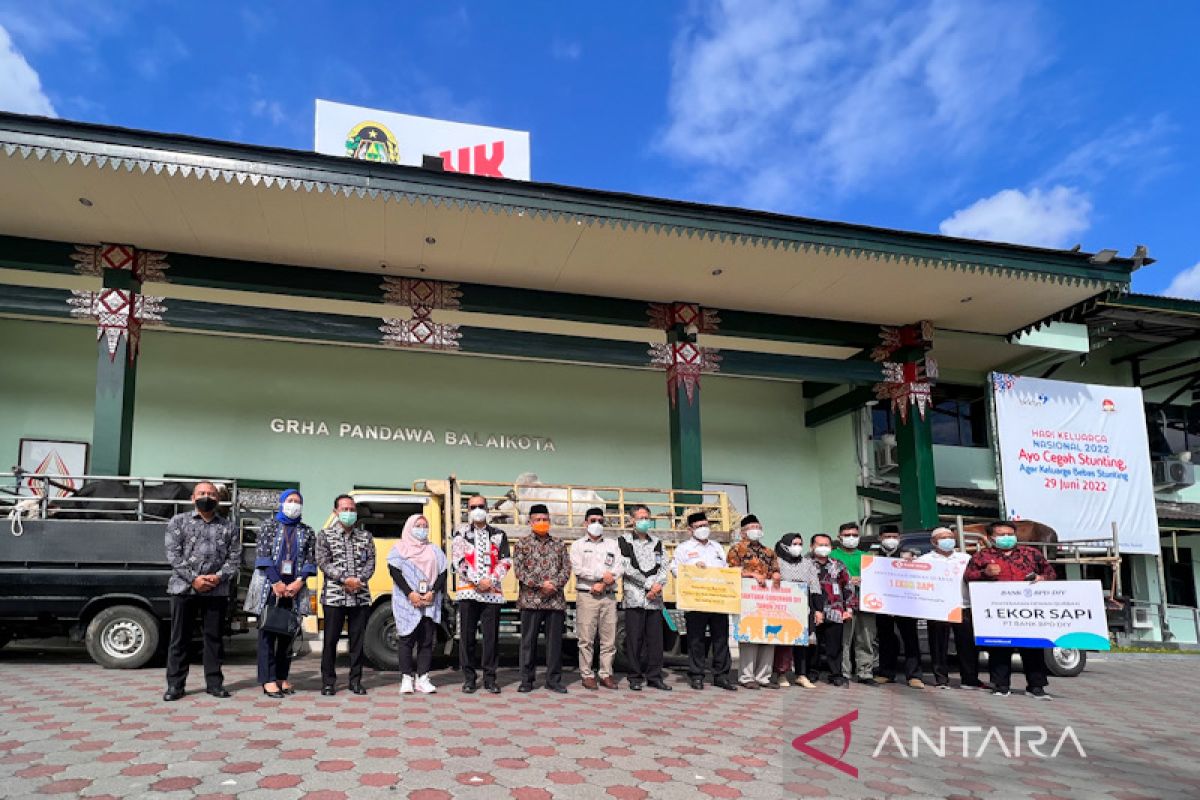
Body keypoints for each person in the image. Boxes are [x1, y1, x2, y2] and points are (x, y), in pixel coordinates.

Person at [163, 481, 241, 702]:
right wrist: (194, 579)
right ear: (193, 498)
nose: (207, 497)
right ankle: (175, 685)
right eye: (202, 493)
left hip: (216, 591)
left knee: (214, 639)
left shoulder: (229, 527)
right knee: (180, 639)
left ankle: (214, 684)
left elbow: (234, 558)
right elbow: (173, 555)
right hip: (184, 588)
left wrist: (217, 577)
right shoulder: (178, 522)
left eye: (211, 494)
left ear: (218, 499)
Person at [965, 521, 1058, 699]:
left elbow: (1051, 573)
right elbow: (968, 577)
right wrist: (985, 573)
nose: (1006, 538)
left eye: (1009, 534)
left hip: (1027, 610)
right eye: (1001, 535)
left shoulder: (1031, 554)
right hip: (998, 612)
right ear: (991, 538)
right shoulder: (981, 556)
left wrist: (1041, 577)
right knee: (999, 648)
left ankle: (1036, 686)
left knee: (1032, 647)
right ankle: (1001, 685)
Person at [245, 489, 317, 698]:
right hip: (270, 588)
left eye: (298, 502)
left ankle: (281, 676)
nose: (294, 504)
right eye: (290, 501)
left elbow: (311, 561)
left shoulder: (307, 531)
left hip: (295, 590)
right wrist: (276, 582)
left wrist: (298, 582)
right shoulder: (269, 526)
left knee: (288, 635)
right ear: (282, 503)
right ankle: (267, 679)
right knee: (267, 635)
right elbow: (263, 557)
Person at [451, 493, 512, 694]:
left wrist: (490, 580)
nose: (477, 510)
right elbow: (458, 561)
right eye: (473, 506)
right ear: (468, 511)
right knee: (467, 637)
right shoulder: (460, 533)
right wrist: (477, 581)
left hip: (492, 592)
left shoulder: (498, 534)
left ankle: (490, 678)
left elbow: (505, 561)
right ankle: (469, 678)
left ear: (487, 509)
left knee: (491, 638)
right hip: (469, 592)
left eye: (481, 506)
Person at [316, 494, 376, 696]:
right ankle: (328, 682)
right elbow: (323, 562)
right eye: (344, 509)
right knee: (330, 641)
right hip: (335, 597)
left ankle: (356, 680)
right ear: (335, 512)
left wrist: (358, 581)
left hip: (360, 596)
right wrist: (344, 579)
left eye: (352, 509)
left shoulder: (365, 537)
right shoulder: (325, 535)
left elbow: (371, 563)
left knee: (357, 642)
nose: (349, 513)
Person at [671, 511, 737, 691]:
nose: (703, 529)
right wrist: (693, 568)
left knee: (721, 638)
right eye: (699, 526)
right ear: (690, 529)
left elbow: (725, 569)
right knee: (696, 639)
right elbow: (676, 570)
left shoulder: (716, 547)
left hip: (717, 600)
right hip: (695, 599)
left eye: (705, 525)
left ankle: (721, 675)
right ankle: (696, 675)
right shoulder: (683, 549)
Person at [512, 503, 571, 693]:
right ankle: (526, 681)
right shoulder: (522, 544)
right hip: (531, 600)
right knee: (528, 643)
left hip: (555, 601)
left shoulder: (559, 544)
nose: (542, 523)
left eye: (545, 520)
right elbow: (519, 570)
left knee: (554, 644)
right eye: (538, 520)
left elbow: (567, 568)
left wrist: (554, 584)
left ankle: (553, 680)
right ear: (530, 522)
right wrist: (540, 585)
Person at [919, 527, 985, 690]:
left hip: (963, 605)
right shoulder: (923, 560)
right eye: (943, 538)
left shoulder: (965, 558)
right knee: (938, 644)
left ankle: (970, 679)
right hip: (938, 607)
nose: (947, 540)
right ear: (934, 542)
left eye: (950, 537)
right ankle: (941, 678)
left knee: (967, 644)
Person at [388, 514, 448, 695]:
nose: (422, 529)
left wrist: (433, 592)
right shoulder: (399, 549)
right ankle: (406, 678)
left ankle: (423, 678)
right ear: (409, 527)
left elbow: (443, 573)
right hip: (407, 601)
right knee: (406, 639)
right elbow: (395, 572)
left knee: (427, 640)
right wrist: (410, 593)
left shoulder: (435, 550)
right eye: (418, 525)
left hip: (429, 600)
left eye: (425, 525)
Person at [570, 506, 624, 690]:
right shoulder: (578, 545)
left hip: (608, 596)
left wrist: (606, 583)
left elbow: (619, 566)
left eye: (600, 521)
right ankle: (587, 674)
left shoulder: (612, 544)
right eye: (593, 521)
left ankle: (606, 673)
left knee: (609, 639)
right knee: (586, 639)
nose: (597, 524)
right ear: (585, 523)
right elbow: (578, 569)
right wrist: (601, 577)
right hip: (588, 596)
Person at [726, 514, 782, 690]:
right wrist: (751, 574)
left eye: (758, 527)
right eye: (751, 528)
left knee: (768, 635)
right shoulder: (736, 550)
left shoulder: (769, 552)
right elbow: (730, 571)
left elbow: (775, 569)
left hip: (767, 600)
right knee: (750, 636)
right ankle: (746, 676)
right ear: (743, 532)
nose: (755, 531)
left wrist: (776, 575)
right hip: (748, 600)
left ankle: (764, 676)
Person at [619, 504, 670, 691]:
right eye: (640, 518)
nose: (644, 521)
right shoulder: (624, 541)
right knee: (634, 639)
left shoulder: (657, 542)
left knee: (655, 640)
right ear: (632, 520)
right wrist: (649, 584)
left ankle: (655, 676)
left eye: (647, 517)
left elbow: (664, 566)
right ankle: (635, 676)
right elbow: (627, 567)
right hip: (634, 598)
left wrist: (658, 585)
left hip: (654, 600)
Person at [872, 527, 925, 689]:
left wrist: (914, 563)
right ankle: (886, 673)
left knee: (910, 639)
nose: (891, 539)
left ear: (899, 538)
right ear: (880, 537)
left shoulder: (909, 555)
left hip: (906, 604)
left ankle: (914, 675)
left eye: (894, 536)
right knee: (886, 638)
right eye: (887, 536)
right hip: (881, 604)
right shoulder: (872, 556)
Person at [771, 532, 824, 689]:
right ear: (785, 545)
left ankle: (801, 674)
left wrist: (818, 610)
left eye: (800, 544)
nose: (797, 547)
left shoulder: (808, 563)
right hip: (783, 607)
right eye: (794, 544)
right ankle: (781, 674)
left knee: (803, 642)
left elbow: (815, 587)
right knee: (784, 641)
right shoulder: (777, 562)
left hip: (804, 607)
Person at [830, 521, 877, 686]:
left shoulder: (868, 557)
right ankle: (844, 672)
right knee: (844, 639)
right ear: (839, 537)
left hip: (865, 602)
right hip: (843, 603)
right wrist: (849, 580)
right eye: (847, 535)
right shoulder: (832, 556)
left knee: (865, 637)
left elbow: (878, 578)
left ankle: (865, 672)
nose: (851, 538)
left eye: (855, 535)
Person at [806, 533, 855, 686]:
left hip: (835, 610)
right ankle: (812, 672)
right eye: (820, 545)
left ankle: (836, 674)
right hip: (812, 610)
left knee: (835, 645)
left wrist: (849, 608)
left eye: (826, 545)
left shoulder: (838, 565)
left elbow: (848, 586)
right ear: (812, 547)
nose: (823, 548)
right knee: (813, 645)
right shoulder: (805, 564)